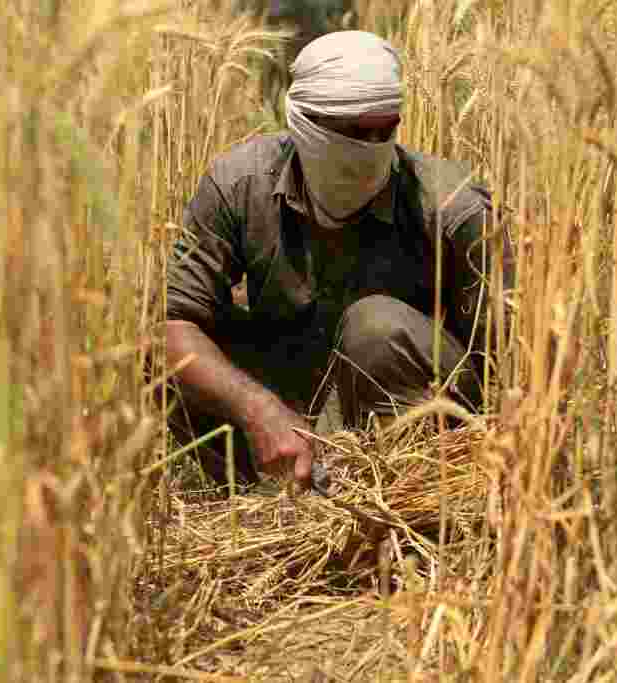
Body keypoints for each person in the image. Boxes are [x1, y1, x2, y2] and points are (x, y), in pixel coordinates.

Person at [164, 31, 513, 490]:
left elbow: (509, 368)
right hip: (292, 399)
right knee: (161, 361)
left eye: (385, 130)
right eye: (353, 131)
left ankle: (394, 490)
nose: (370, 147)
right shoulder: (240, 184)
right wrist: (257, 409)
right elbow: (172, 323)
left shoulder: (453, 205)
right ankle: (277, 493)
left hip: (417, 420)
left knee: (376, 328)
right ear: (303, 122)